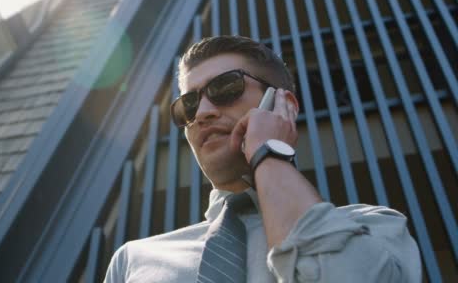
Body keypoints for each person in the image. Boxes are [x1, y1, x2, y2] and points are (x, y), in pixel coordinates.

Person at [104, 36, 421, 282]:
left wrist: (268, 153)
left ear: (283, 105)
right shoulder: (132, 260)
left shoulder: (374, 227)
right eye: (187, 105)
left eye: (225, 87)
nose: (201, 113)